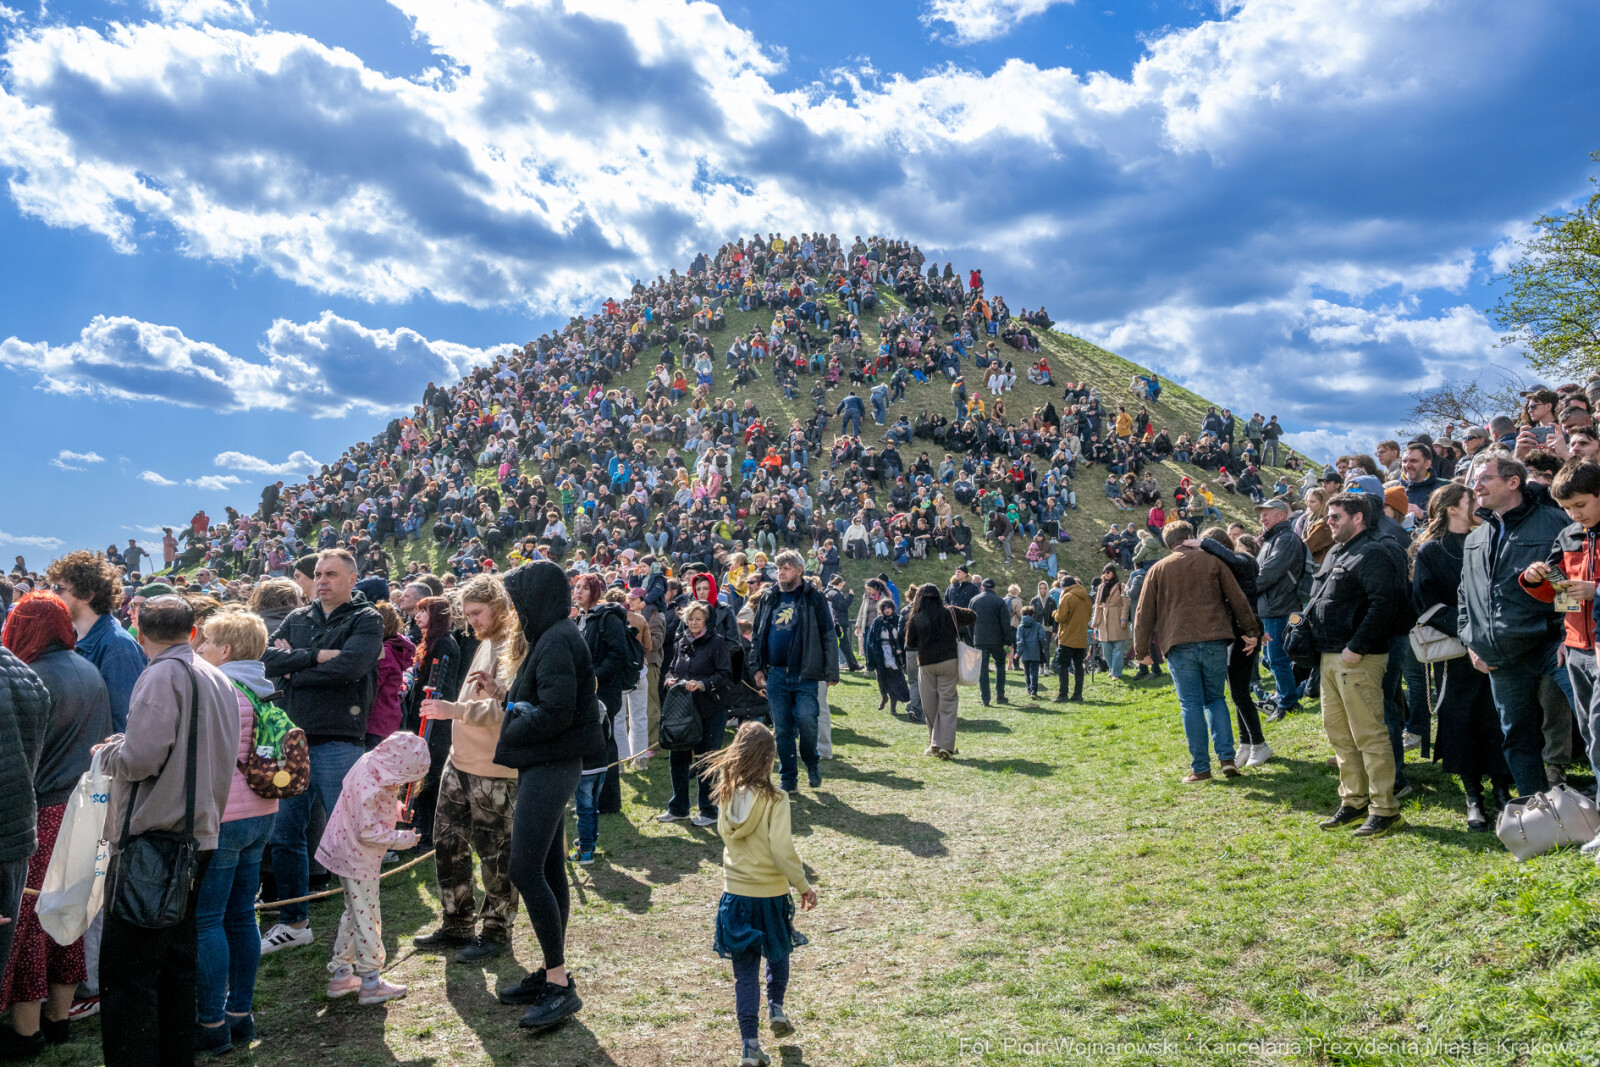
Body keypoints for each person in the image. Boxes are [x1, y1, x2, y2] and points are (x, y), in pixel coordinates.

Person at [96, 595, 238, 1067]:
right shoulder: (215, 675)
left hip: (155, 839)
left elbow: (139, 761)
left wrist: (107, 754)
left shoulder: (161, 674)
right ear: (193, 630)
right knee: (176, 965)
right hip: (198, 834)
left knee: (130, 976)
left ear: (138, 630)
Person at [490, 561, 605, 1032]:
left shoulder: (558, 637)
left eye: (517, 600)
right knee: (549, 867)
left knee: (524, 868)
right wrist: (511, 701)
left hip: (553, 763)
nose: (513, 610)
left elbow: (556, 711)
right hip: (549, 762)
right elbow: (544, 699)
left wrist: (514, 717)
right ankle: (550, 969)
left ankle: (559, 983)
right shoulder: (553, 634)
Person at [259, 549, 385, 955]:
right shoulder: (299, 617)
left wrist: (295, 670)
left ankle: (361, 918)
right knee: (286, 835)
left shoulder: (366, 619)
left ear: (352, 578)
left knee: (350, 836)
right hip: (295, 741)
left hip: (339, 742)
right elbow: (265, 661)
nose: (322, 580)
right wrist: (314, 656)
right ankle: (294, 921)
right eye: (317, 574)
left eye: (331, 573)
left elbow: (351, 668)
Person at [0, 593, 99, 1056]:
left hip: (43, 811)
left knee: (29, 925)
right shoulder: (88, 670)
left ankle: (26, 1030)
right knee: (68, 916)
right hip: (85, 808)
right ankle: (59, 1018)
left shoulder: (30, 675)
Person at [414, 574, 520, 962]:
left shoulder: (515, 645)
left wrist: (451, 711)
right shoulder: (486, 641)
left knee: (496, 854)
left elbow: (504, 709)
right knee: (447, 844)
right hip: (459, 761)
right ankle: (457, 923)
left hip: (494, 768)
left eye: (476, 613)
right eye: (466, 614)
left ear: (500, 605)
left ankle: (496, 931)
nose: (471, 621)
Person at [190, 609, 279, 1054]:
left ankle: (210, 1022)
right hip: (262, 812)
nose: (198, 647)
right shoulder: (260, 688)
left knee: (207, 920)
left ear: (225, 650)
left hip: (223, 819)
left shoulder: (219, 691)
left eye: (205, 641)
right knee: (243, 915)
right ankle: (240, 1014)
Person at [702, 722, 817, 1067]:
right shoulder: (776, 798)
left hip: (735, 896)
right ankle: (776, 1007)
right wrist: (803, 885)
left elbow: (726, 835)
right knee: (779, 951)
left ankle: (749, 1044)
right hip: (770, 894)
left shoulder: (724, 793)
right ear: (769, 758)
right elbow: (782, 850)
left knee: (744, 973)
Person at [1458, 455, 1570, 797]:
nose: (1475, 486)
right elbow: (1465, 595)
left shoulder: (1554, 522)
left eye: (1485, 478)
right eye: (1475, 480)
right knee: (1517, 739)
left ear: (1513, 482)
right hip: (1500, 656)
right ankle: (1539, 815)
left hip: (1553, 646)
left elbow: (1567, 579)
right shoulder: (1475, 537)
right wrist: (1471, 643)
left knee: (1593, 722)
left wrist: (1570, 634)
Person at [1302, 494, 1410, 838]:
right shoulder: (1340, 551)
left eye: (1334, 517)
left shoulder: (1375, 551)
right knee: (1339, 734)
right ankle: (1354, 800)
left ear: (1358, 517)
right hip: (1331, 656)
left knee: (1369, 734)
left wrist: (1358, 646)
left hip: (1358, 657)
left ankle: (1384, 808)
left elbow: (1386, 603)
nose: (1328, 522)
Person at [1131, 522, 1260, 783]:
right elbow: (1238, 598)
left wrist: (1141, 650)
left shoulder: (1157, 569)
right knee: (1216, 699)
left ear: (1169, 544)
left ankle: (1201, 768)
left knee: (1191, 704)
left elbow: (1143, 614)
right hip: (1214, 639)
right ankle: (1226, 759)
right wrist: (1251, 630)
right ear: (1191, 538)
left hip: (1178, 643)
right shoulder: (1213, 563)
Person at [1417, 484, 1513, 832]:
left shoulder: (1490, 537)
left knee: (1497, 716)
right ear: (1452, 508)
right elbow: (1427, 604)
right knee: (1461, 720)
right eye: (1471, 499)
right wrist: (1469, 632)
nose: (1479, 502)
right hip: (1457, 652)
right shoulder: (1431, 551)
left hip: (1496, 645)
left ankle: (1503, 789)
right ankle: (1473, 795)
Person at [317, 732, 430, 1006]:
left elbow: (370, 808)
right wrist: (402, 840)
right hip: (357, 856)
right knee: (368, 915)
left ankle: (342, 974)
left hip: (346, 851)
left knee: (354, 911)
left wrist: (396, 812)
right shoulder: (371, 782)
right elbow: (368, 830)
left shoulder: (372, 763)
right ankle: (370, 980)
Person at [1519, 460, 1600, 802]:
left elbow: (1586, 589)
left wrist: (1596, 590)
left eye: (1580, 505)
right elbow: (1561, 590)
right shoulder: (1568, 535)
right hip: (1575, 647)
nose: (1574, 515)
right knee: (1590, 732)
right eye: (1567, 509)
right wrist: (1535, 578)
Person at [748, 551, 838, 793]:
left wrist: (831, 671)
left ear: (799, 570)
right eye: (779, 568)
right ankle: (788, 779)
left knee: (807, 721)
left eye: (787, 567)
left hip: (805, 673)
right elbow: (758, 634)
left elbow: (828, 634)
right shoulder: (769, 597)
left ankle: (811, 761)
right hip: (776, 674)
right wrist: (756, 667)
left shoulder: (813, 597)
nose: (782, 571)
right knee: (783, 728)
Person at [46, 551, 145, 733]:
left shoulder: (117, 646)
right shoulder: (74, 639)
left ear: (87, 596)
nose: (52, 596)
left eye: (58, 589)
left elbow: (124, 727)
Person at [658, 602, 734, 827]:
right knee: (678, 757)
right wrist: (669, 680)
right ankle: (678, 807)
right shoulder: (681, 642)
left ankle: (709, 810)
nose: (693, 623)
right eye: (690, 619)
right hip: (683, 709)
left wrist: (702, 684)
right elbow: (671, 668)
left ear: (706, 621)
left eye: (698, 619)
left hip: (710, 709)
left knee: (706, 759)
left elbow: (725, 675)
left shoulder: (717, 643)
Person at [402, 596, 463, 850]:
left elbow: (441, 687)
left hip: (435, 722)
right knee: (421, 777)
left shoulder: (445, 644)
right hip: (423, 717)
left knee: (431, 778)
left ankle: (429, 835)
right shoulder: (430, 642)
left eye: (423, 611)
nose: (417, 616)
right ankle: (421, 831)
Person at [904, 584, 976, 759]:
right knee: (948, 703)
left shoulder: (915, 617)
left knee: (930, 706)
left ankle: (934, 744)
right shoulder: (948, 612)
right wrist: (952, 609)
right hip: (948, 662)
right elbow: (972, 616)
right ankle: (946, 746)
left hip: (926, 664)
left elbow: (910, 643)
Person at [1253, 498, 1309, 719]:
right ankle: (1289, 692)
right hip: (1269, 606)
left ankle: (1288, 702)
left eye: (1267, 513)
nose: (1262, 518)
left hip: (1280, 606)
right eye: (1261, 514)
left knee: (1276, 658)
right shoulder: (1272, 539)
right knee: (1269, 658)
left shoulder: (1285, 538)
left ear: (1282, 516)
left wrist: (1246, 587)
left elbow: (1269, 573)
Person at [968, 578, 1011, 706]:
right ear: (994, 588)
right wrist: (1008, 641)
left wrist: (972, 638)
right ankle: (1000, 695)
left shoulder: (974, 600)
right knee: (1000, 665)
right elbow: (1005, 623)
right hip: (997, 639)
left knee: (983, 669)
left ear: (982, 587)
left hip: (980, 639)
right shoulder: (999, 601)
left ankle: (985, 699)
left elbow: (969, 623)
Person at [864, 598, 911, 715]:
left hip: (895, 654)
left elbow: (903, 636)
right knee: (881, 678)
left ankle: (893, 707)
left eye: (889, 607)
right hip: (881, 654)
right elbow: (871, 641)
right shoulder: (877, 622)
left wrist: (902, 653)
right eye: (884, 608)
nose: (887, 610)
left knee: (895, 680)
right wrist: (871, 661)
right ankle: (884, 697)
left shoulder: (898, 620)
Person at [1053, 576, 1091, 702]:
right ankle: (1077, 694)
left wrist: (1054, 614)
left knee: (1063, 665)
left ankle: (1063, 694)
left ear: (1065, 586)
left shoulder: (1067, 596)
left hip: (1067, 637)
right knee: (1079, 666)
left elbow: (1062, 617)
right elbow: (1089, 614)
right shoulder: (1086, 597)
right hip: (1081, 637)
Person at [1090, 565, 1131, 682]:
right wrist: (1095, 621)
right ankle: (1112, 668)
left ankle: (1116, 673)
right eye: (1104, 572)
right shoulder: (1101, 587)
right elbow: (1097, 605)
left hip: (1117, 618)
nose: (1106, 574)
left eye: (1108, 572)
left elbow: (1125, 604)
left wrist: (1123, 619)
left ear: (1113, 572)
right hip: (1103, 620)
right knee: (1105, 648)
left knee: (1118, 647)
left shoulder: (1121, 586)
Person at [1014, 606, 1049, 698]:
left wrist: (1018, 652)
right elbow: (1042, 637)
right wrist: (1041, 647)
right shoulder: (1037, 625)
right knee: (1034, 672)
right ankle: (1034, 690)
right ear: (1033, 615)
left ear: (1022, 615)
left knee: (1027, 672)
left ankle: (1028, 688)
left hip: (1025, 652)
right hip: (1035, 651)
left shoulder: (1020, 627)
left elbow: (1020, 640)